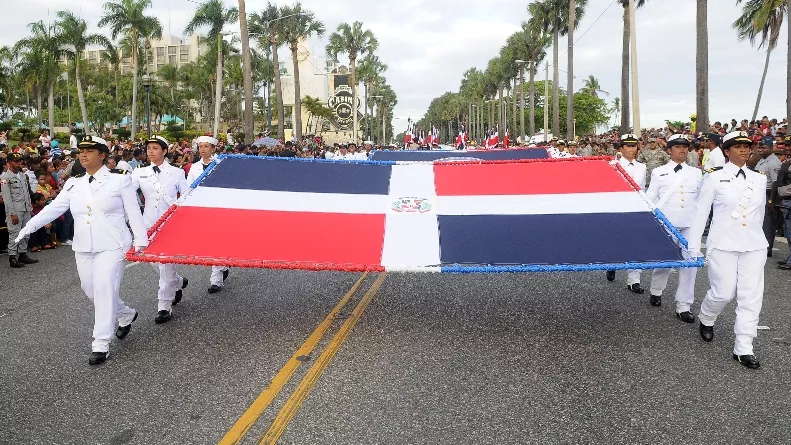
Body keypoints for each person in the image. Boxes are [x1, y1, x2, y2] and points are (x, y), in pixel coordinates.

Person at [14, 135, 148, 365]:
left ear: (103, 155)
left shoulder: (119, 180)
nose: (83, 155)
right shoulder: (74, 182)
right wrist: (28, 227)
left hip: (113, 243)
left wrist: (141, 241)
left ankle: (100, 343)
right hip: (84, 244)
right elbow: (54, 208)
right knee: (91, 290)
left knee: (104, 288)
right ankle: (125, 314)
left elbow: (133, 212)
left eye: (89, 151)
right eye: (80, 151)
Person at [688, 131, 768, 369]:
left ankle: (744, 347)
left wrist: (759, 237)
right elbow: (701, 213)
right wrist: (694, 247)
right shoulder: (714, 178)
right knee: (723, 292)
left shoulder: (759, 178)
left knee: (751, 296)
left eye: (746, 146)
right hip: (723, 242)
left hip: (753, 243)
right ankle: (707, 316)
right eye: (738, 146)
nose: (744, 150)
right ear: (726, 151)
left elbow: (760, 214)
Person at [131, 136, 189, 323]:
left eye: (155, 148)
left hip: (169, 223)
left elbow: (186, 196)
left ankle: (164, 305)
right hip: (148, 223)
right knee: (153, 261)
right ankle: (178, 282)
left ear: (164, 151)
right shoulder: (139, 172)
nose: (150, 151)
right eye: (148, 148)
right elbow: (129, 194)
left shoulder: (176, 172)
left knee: (164, 264)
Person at [645, 135, 702, 322]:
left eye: (685, 147)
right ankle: (656, 290)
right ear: (669, 150)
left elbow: (702, 199)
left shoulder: (696, 173)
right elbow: (651, 196)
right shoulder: (659, 172)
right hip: (667, 222)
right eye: (678, 147)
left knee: (689, 264)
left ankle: (683, 305)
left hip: (690, 223)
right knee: (664, 261)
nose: (682, 150)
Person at [186, 136, 230, 293]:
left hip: (219, 208)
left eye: (206, 146)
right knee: (209, 242)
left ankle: (216, 279)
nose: (203, 149)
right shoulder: (194, 167)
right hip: (201, 209)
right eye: (200, 146)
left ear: (213, 148)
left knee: (218, 241)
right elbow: (189, 188)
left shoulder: (222, 164)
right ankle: (223, 264)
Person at [606, 134, 647, 293]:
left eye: (634, 146)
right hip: (617, 208)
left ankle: (634, 280)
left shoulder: (642, 167)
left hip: (636, 209)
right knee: (616, 240)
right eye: (628, 146)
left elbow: (642, 188)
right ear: (621, 148)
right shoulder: (612, 165)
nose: (631, 149)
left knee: (636, 243)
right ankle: (612, 264)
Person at [1, 153, 39, 268]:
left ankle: (23, 254)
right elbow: (7, 198)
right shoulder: (4, 178)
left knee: (26, 232)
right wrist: (12, 214)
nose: (18, 164)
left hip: (25, 208)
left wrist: (30, 208)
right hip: (15, 210)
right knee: (14, 233)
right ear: (9, 162)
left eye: (20, 161)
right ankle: (12, 257)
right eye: (16, 161)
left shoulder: (22, 175)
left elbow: (27, 193)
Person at [748, 136, 782, 257]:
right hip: (760, 192)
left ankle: (767, 247)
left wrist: (771, 200)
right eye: (760, 147)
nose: (760, 150)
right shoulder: (762, 160)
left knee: (768, 223)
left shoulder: (774, 163)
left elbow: (775, 182)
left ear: (771, 148)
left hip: (768, 193)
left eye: (764, 148)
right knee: (760, 220)